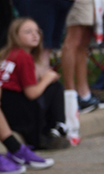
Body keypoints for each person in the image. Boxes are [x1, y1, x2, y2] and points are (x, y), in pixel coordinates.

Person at [0, 17, 68, 156]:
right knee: (55, 87)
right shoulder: (23, 57)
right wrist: (48, 79)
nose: (35, 35)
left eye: (37, 31)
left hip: (6, 107)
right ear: (15, 35)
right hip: (16, 110)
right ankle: (54, 128)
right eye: (28, 32)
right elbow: (32, 93)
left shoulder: (8, 54)